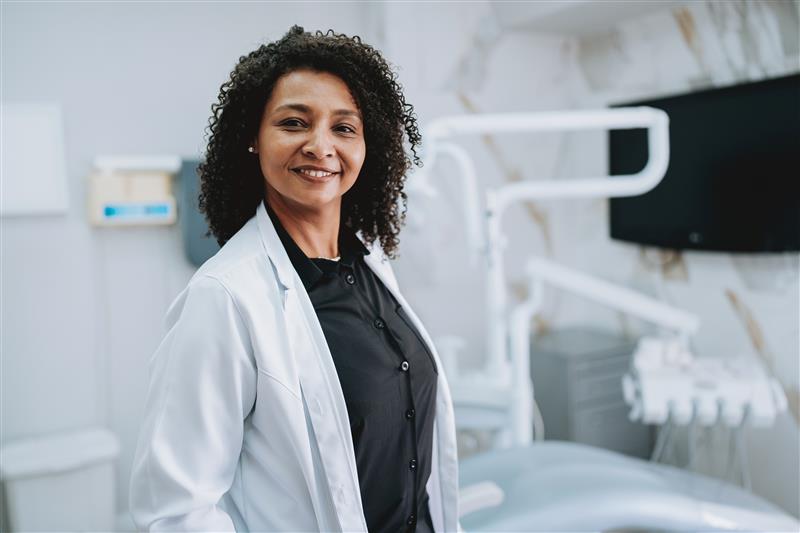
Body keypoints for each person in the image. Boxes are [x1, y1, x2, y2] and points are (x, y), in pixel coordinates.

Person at [129, 25, 460, 532]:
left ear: (368, 146)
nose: (320, 145)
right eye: (293, 122)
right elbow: (176, 511)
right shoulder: (225, 297)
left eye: (344, 128)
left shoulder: (369, 262)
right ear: (253, 141)